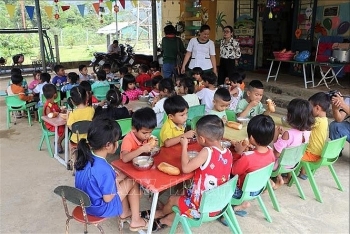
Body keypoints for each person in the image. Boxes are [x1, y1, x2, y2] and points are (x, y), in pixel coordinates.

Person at [150, 115, 232, 231]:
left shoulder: (207, 151)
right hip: (219, 202)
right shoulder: (228, 152)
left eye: (197, 137)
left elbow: (186, 169)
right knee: (183, 191)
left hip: (201, 208)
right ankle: (168, 217)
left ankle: (161, 215)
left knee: (172, 199)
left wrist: (184, 146)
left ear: (202, 139)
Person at [74, 117, 149, 231]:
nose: (118, 143)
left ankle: (125, 213)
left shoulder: (84, 156)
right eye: (117, 141)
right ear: (108, 145)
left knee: (124, 177)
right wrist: (116, 184)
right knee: (132, 180)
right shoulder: (104, 169)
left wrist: (117, 179)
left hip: (86, 204)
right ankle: (136, 221)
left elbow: (97, 181)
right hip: (100, 208)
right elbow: (108, 198)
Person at [227, 115, 275, 218]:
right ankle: (241, 203)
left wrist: (239, 152)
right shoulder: (271, 152)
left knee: (222, 180)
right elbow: (258, 160)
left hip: (241, 192)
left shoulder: (247, 157)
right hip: (258, 188)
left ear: (251, 138)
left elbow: (233, 170)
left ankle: (231, 209)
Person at [271, 99, 314, 188]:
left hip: (280, 165)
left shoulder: (288, 134)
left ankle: (277, 180)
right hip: (293, 163)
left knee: (263, 151)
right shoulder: (307, 131)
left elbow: (276, 153)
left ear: (291, 116)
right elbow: (294, 143)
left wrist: (275, 136)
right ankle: (283, 177)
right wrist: (283, 135)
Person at [299, 92, 330, 179]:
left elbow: (303, 126)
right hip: (317, 153)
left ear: (317, 108)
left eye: (309, 107)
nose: (309, 110)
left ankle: (290, 175)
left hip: (311, 154)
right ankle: (303, 172)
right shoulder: (325, 120)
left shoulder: (317, 121)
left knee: (291, 154)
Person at [42, 84, 65, 153]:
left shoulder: (54, 103)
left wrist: (61, 110)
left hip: (57, 122)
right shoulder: (48, 105)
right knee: (64, 130)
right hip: (50, 125)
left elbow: (57, 110)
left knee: (68, 127)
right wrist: (56, 114)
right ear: (55, 95)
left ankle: (60, 141)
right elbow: (49, 116)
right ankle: (58, 143)